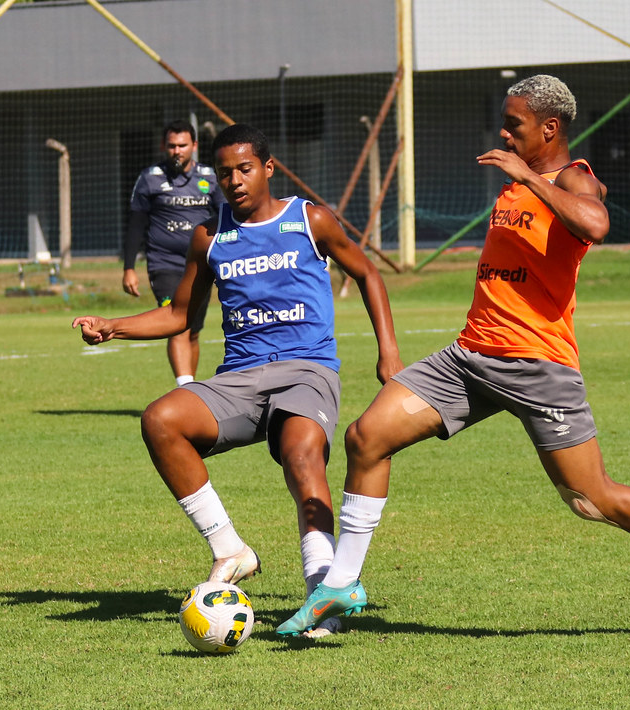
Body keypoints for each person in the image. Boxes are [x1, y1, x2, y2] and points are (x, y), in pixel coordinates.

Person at [277, 75, 630, 637]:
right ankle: (341, 585)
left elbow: (597, 224)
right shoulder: (515, 176)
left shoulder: (573, 177)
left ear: (550, 128)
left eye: (515, 124)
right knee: (365, 437)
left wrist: (530, 176)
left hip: (539, 368)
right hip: (470, 356)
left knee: (591, 500)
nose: (503, 132)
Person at [75, 123, 403, 637]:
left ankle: (322, 593)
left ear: (268, 168)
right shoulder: (208, 236)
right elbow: (180, 314)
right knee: (161, 420)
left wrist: (389, 354)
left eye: (245, 169)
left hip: (306, 369)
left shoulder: (310, 219)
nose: (234, 181)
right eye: (224, 173)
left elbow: (367, 273)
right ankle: (230, 549)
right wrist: (112, 326)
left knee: (302, 456)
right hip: (240, 378)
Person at [123, 119, 224, 387]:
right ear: (163, 146)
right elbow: (136, 224)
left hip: (202, 265)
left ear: (194, 146)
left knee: (193, 330)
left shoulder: (210, 177)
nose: (177, 151)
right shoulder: (150, 177)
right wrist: (129, 268)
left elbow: (226, 217)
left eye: (182, 145)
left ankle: (190, 393)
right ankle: (187, 389)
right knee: (176, 323)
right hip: (164, 263)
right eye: (171, 146)